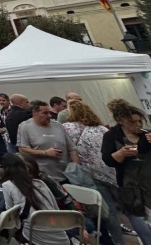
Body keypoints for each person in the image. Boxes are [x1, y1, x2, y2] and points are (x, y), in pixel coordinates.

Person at [62, 101, 123, 245]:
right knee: (116, 209)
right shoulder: (100, 128)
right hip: (111, 171)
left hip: (88, 175)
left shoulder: (67, 128)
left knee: (97, 209)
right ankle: (119, 240)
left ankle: (104, 238)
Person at [102, 99, 151, 245]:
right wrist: (121, 153)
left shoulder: (146, 135)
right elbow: (108, 160)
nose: (138, 125)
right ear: (121, 121)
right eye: (132, 122)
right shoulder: (112, 136)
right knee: (143, 227)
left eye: (140, 122)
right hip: (130, 188)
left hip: (149, 183)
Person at [0, 152, 69, 245]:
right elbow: (56, 209)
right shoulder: (40, 183)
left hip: (34, 238)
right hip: (61, 238)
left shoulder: (7, 185)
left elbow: (11, 214)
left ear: (5, 169)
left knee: (10, 232)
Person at [17, 100, 78, 182]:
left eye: (49, 112)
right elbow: (22, 150)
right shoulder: (25, 127)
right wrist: (45, 152)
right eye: (45, 113)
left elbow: (72, 148)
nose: (49, 116)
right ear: (34, 113)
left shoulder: (58, 125)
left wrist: (76, 167)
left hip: (66, 175)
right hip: (44, 177)